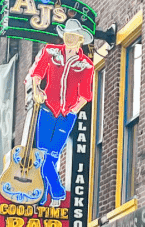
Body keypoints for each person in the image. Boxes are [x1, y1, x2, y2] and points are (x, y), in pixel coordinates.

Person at [26, 18, 95, 203]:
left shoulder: (86, 65)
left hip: (67, 117)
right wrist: (37, 90)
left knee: (52, 157)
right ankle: (51, 195)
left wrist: (72, 111)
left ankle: (48, 196)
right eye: (67, 36)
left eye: (74, 37)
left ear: (80, 40)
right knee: (42, 155)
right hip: (47, 111)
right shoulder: (51, 52)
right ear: (63, 36)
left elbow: (85, 96)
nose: (70, 40)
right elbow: (37, 73)